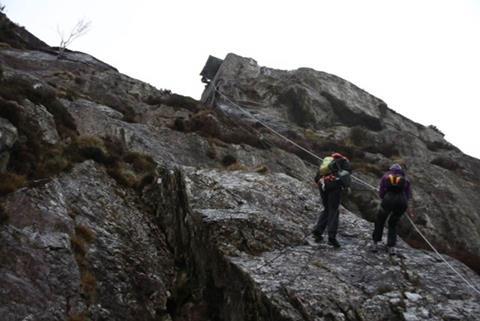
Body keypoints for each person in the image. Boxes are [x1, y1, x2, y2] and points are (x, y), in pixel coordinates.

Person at [312, 152, 352, 248]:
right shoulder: (344, 162)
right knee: (334, 210)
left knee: (326, 208)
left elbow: (316, 178)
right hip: (335, 187)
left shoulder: (325, 163)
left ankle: (318, 231)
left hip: (323, 186)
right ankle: (331, 237)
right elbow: (347, 176)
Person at [372, 163, 412, 255]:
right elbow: (408, 195)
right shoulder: (405, 179)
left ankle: (375, 243)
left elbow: (382, 191)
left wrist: (384, 198)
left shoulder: (386, 177)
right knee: (393, 223)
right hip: (402, 202)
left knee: (380, 220)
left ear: (390, 169)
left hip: (388, 200)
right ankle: (391, 247)